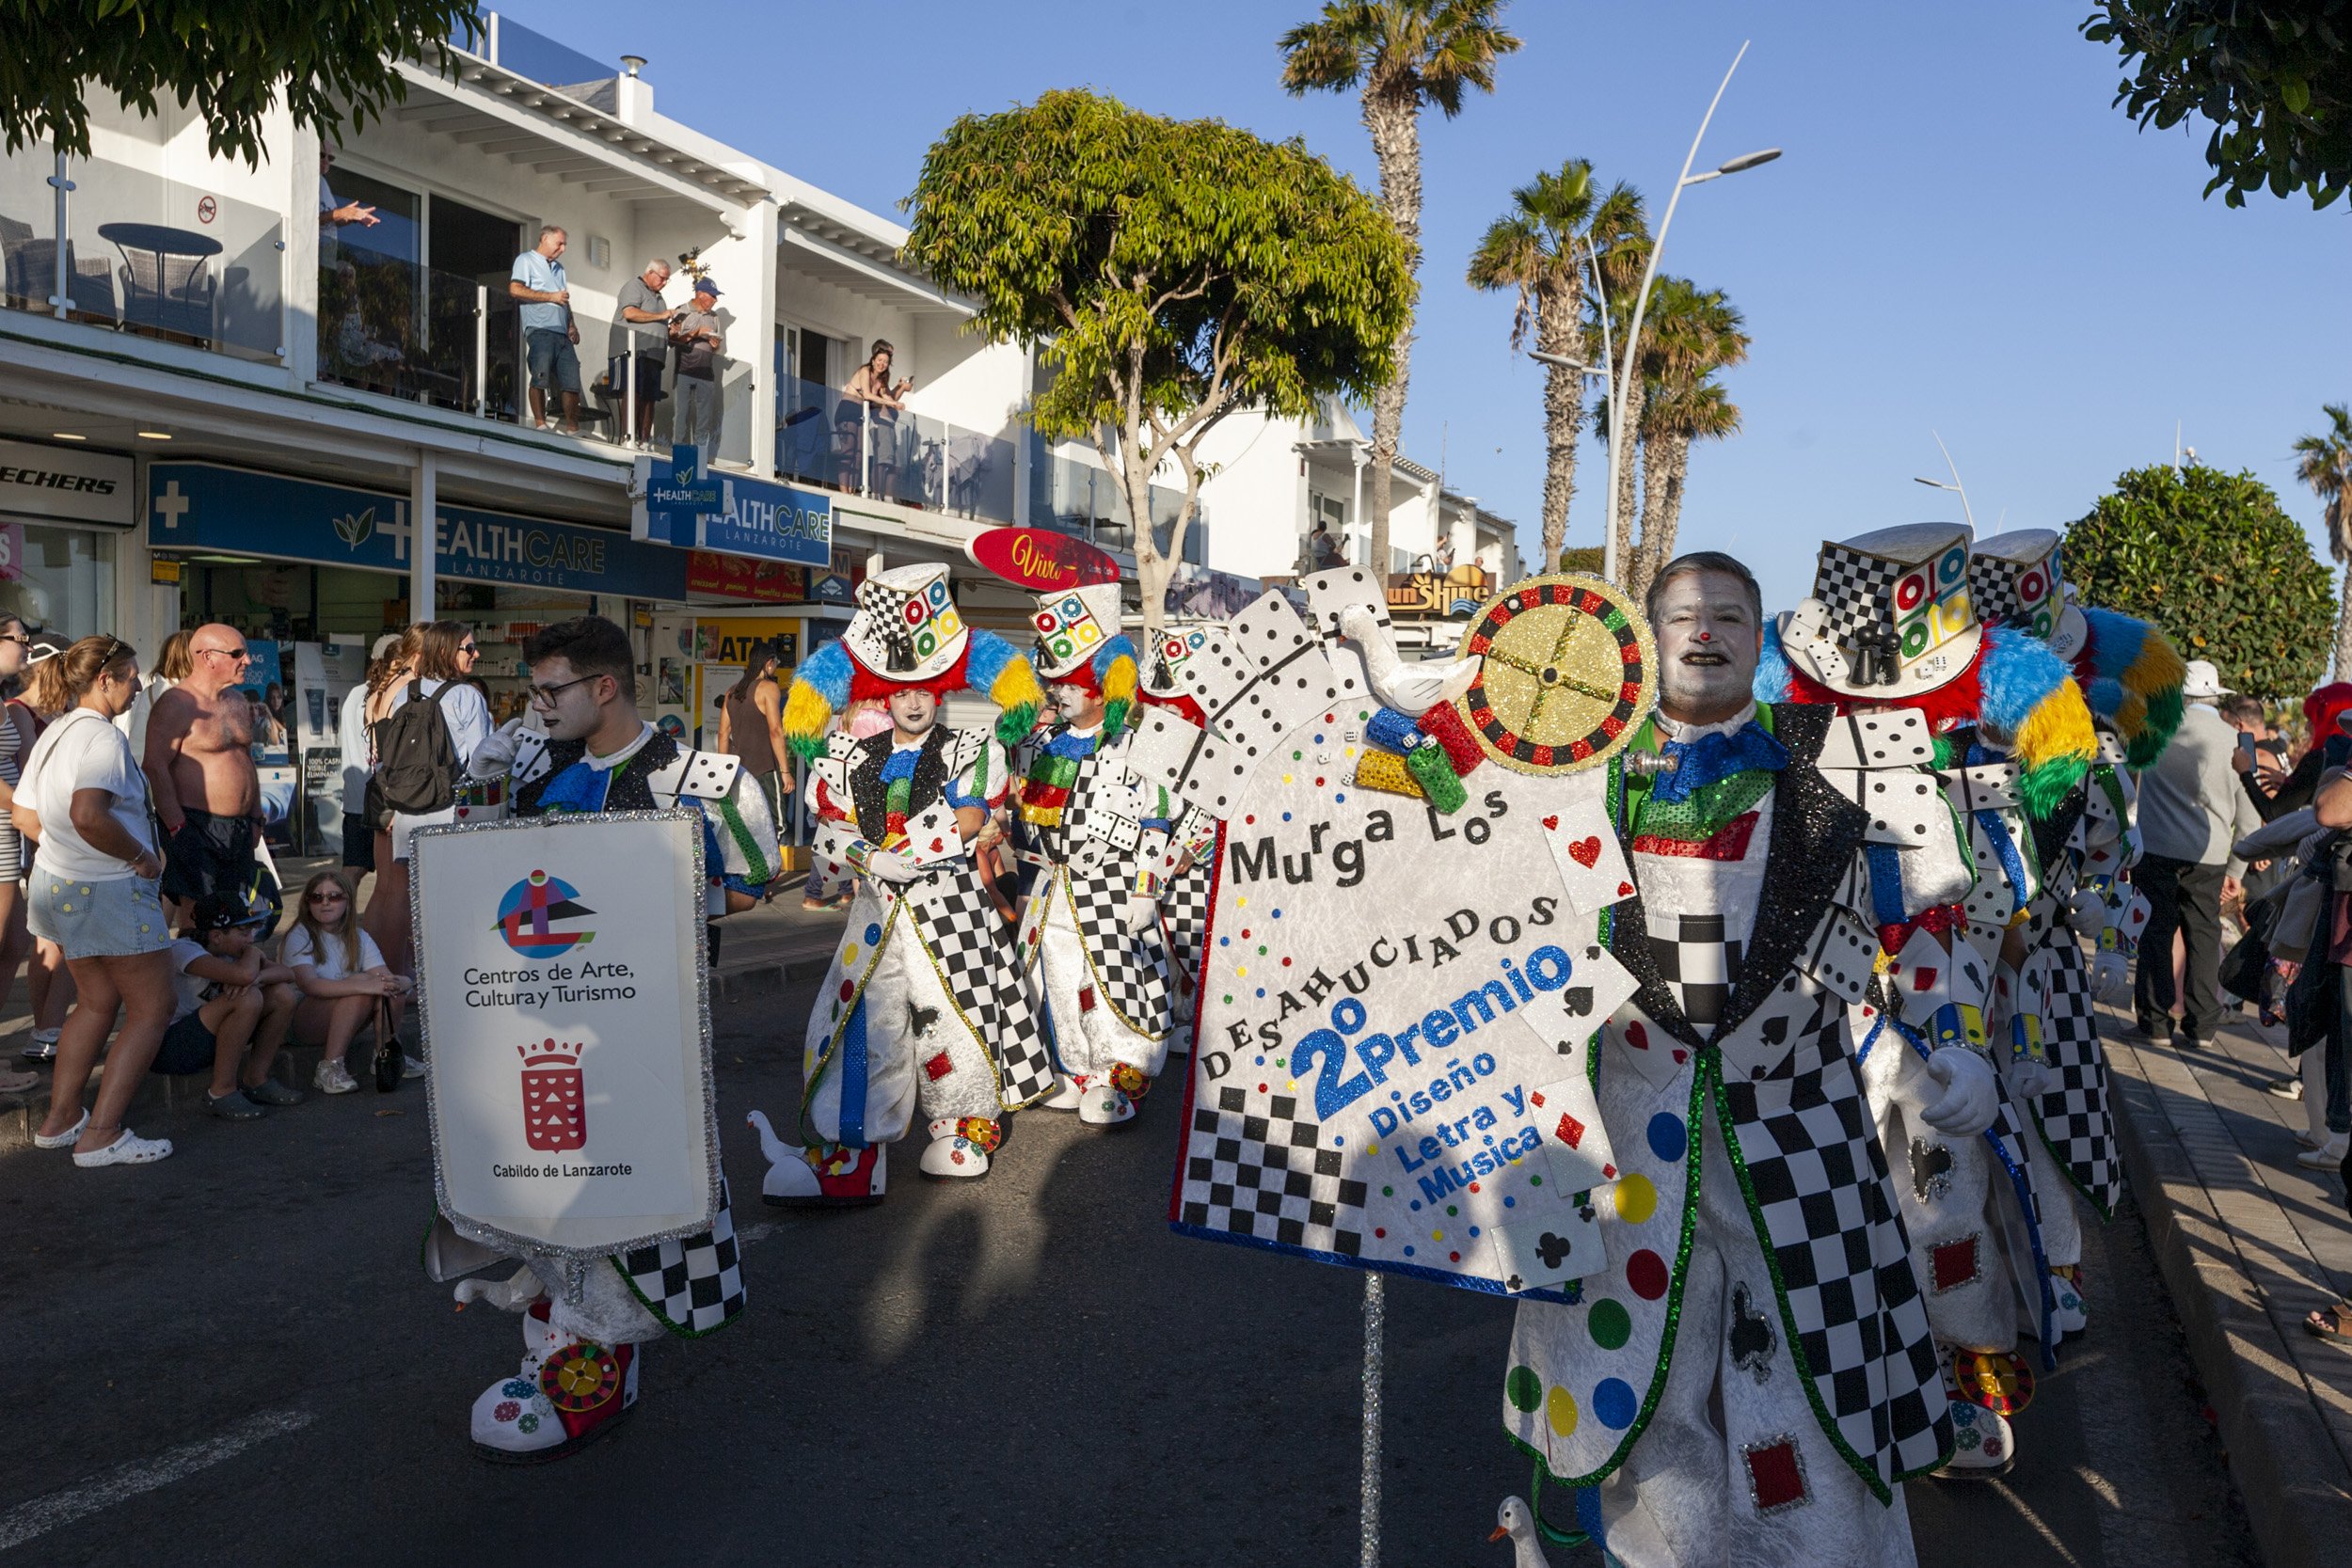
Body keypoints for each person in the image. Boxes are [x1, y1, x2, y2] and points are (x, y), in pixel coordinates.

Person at [1501, 552, 1992, 1560]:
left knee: (1808, 1388)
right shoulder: (1583, 765)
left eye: (1728, 615)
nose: (1704, 632)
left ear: (1756, 636)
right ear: (1648, 637)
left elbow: (1933, 923)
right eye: (1683, 615)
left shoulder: (1841, 757)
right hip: (1626, 1130)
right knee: (1646, 1385)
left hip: (1800, 1129)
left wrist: (1955, 1045)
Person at [429, 613, 773, 1461]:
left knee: (637, 1188)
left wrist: (651, 898)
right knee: (550, 1179)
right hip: (539, 1019)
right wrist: (481, 786)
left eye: (551, 690)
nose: (536, 707)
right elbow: (480, 876)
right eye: (533, 692)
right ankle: (565, 1335)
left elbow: (752, 884)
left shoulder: (703, 779)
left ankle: (600, 1363)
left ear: (606, 685)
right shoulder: (535, 770)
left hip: (649, 1023)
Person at [752, 566, 1049, 1199]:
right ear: (880, 696)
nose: (914, 702)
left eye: (925, 690)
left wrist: (910, 849)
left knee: (954, 1019)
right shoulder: (850, 755)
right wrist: (870, 858)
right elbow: (830, 831)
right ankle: (854, 1151)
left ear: (941, 690)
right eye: (900, 691)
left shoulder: (973, 745)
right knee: (860, 1026)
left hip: (950, 911)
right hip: (875, 913)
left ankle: (962, 1125)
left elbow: (973, 815)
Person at [1010, 580, 1182, 1128]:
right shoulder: (1040, 744)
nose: (1059, 693)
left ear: (1102, 688)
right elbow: (1024, 812)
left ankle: (1121, 1071)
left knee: (1115, 978)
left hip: (1113, 884)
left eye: (1072, 683)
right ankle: (1078, 1068)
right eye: (1055, 682)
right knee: (1058, 979)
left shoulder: (1138, 742)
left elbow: (1158, 818)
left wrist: (1146, 888)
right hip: (1052, 889)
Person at [13, 637, 179, 1167]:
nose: (138, 688)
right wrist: (141, 857)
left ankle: (61, 1120)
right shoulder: (103, 738)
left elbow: (25, 815)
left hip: (59, 884)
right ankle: (101, 1133)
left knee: (96, 1001)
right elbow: (88, 814)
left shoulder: (56, 730)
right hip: (108, 888)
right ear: (105, 679)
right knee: (153, 1007)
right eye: (132, 677)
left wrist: (69, 855)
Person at [2135, 658, 2263, 1049]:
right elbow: (2250, 815)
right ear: (2214, 695)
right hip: (2211, 853)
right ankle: (2203, 1026)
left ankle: (2156, 1024)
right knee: (2204, 934)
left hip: (2155, 846)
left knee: (2155, 931)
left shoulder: (2151, 730)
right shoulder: (2237, 741)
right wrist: (2237, 869)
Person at [142, 623, 262, 915]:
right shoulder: (176, 703)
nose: (247, 661)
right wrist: (177, 826)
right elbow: (155, 766)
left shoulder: (237, 701)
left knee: (234, 916)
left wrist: (256, 816)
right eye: (237, 654)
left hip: (240, 827)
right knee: (199, 916)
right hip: (197, 825)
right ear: (208, 657)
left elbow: (246, 760)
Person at [157, 894, 300, 1119]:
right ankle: (220, 1092)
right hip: (173, 1047)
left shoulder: (234, 953)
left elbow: (288, 974)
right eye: (243, 933)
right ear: (216, 936)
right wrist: (253, 957)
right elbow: (243, 975)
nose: (251, 939)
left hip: (211, 1038)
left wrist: (257, 977)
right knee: (247, 998)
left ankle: (256, 1079)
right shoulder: (184, 950)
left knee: (282, 995)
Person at [278, 868, 411, 1095]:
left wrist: (404, 982)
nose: (325, 903)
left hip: (344, 1016)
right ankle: (329, 1068)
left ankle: (385, 1054)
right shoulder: (299, 935)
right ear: (307, 903)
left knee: (390, 991)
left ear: (348, 901)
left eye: (334, 896)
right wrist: (362, 984)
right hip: (299, 1019)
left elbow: (385, 977)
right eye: (317, 897)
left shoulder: (359, 936)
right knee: (362, 990)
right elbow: (309, 985)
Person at [11, 633, 74, 1064]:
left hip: (52, 831)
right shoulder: (19, 713)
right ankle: (46, 1028)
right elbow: (32, 783)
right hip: (38, 835)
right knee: (59, 938)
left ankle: (45, 1030)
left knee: (50, 939)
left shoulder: (58, 714)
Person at [0, 614, 38, 1095]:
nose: (27, 645)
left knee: (13, 946)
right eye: (19, 638)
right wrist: (32, 815)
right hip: (3, 828)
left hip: (9, 833)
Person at [337, 633, 401, 881]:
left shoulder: (355, 694)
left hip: (356, 799)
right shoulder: (392, 695)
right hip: (383, 799)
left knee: (353, 869)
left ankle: (342, 907)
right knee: (391, 877)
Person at [509, 225, 581, 435]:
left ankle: (572, 429)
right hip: (540, 329)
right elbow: (515, 289)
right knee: (540, 377)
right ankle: (540, 424)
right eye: (559, 243)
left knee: (572, 381)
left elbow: (563, 299)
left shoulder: (559, 268)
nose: (563, 249)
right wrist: (551, 297)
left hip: (562, 333)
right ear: (544, 239)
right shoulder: (526, 260)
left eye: (565, 244)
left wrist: (571, 324)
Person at [715, 639, 790, 832]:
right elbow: (776, 731)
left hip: (740, 770)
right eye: (776, 663)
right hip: (766, 767)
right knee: (776, 826)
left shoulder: (731, 692)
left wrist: (724, 770)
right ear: (769, 663)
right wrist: (785, 771)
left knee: (747, 824)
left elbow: (723, 733)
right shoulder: (768, 688)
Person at [608, 257, 673, 448]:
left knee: (650, 397)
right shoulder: (634, 286)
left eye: (667, 279)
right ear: (650, 272)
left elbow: (655, 322)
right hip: (633, 350)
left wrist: (670, 328)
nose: (664, 283)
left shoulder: (659, 296)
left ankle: (644, 441)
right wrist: (661, 316)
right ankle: (628, 438)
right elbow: (630, 313)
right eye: (662, 278)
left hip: (654, 353)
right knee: (633, 392)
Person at [835, 340, 910, 497]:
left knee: (859, 455)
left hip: (861, 414)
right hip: (848, 410)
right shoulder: (865, 371)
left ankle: (852, 492)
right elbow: (868, 395)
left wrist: (901, 388)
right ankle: (843, 492)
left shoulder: (881, 380)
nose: (882, 364)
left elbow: (887, 399)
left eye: (886, 362)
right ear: (873, 360)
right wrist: (893, 403)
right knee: (848, 451)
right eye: (880, 360)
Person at [669, 277, 725, 454]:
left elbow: (716, 347)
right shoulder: (681, 311)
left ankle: (700, 456)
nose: (715, 300)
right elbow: (672, 340)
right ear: (700, 294)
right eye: (713, 296)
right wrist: (697, 333)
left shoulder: (714, 317)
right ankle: (679, 454)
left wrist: (715, 346)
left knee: (704, 419)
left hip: (706, 373)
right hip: (684, 370)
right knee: (681, 415)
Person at [318, 148, 379, 233]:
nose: (326, 161)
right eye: (322, 155)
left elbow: (331, 221)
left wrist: (352, 217)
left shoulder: (322, 182)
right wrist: (342, 213)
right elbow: (309, 220)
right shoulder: (306, 182)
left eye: (330, 158)